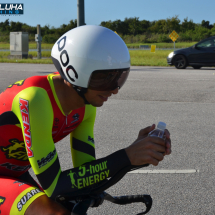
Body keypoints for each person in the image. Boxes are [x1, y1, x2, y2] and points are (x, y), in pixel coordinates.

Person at [0, 25, 171, 215]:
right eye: (106, 79)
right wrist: (127, 156)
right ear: (75, 72)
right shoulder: (35, 99)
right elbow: (55, 186)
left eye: (119, 78)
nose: (114, 90)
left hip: (14, 171)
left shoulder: (86, 106)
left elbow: (85, 175)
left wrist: (138, 155)